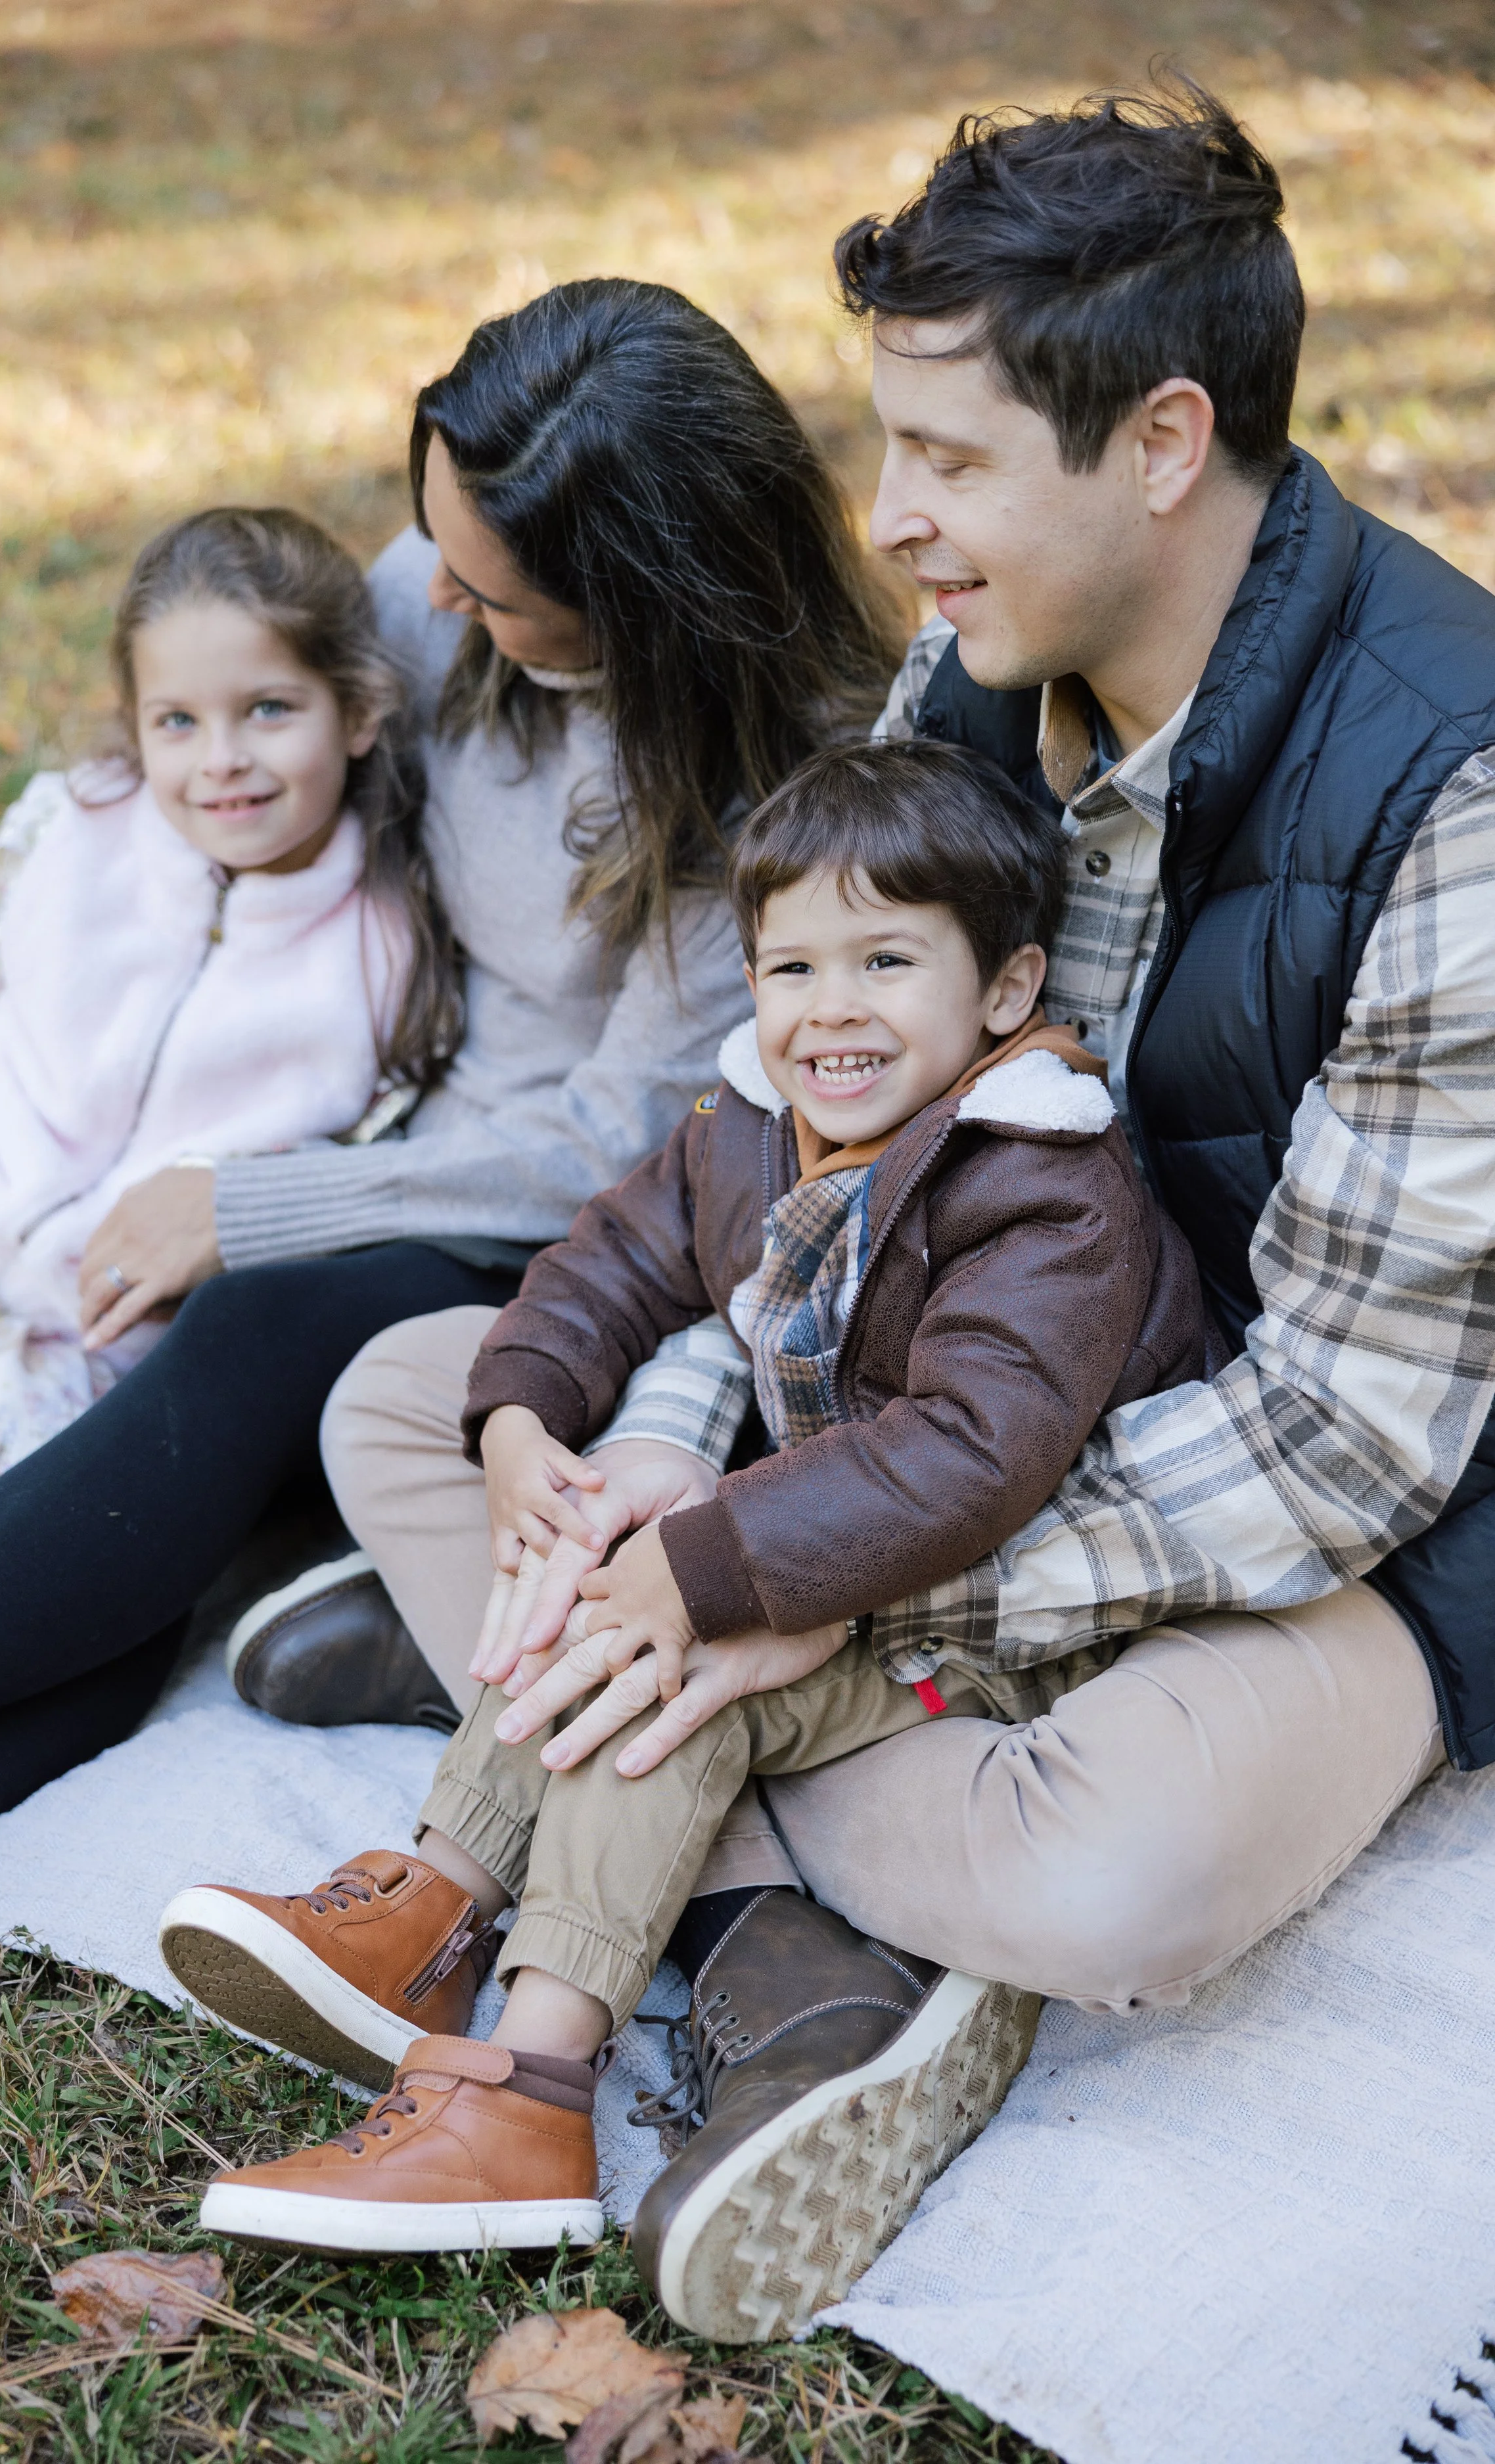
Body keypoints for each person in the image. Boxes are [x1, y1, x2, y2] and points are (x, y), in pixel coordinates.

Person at [241, 79, 1495, 2340]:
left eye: (947, 457)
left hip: (1304, 1522)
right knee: (423, 1404)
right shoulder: (972, 670)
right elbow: (792, 1167)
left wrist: (812, 1576)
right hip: (927, 1400)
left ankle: (558, 1764)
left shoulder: (1455, 799)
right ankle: (766, 1921)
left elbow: (1345, 1436)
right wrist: (642, 1470)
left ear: (1162, 439)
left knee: (1120, 1872)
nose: (889, 521)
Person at [0, 277, 900, 2125]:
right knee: (157, 1536)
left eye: (493, 593)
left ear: (647, 596)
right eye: (435, 550)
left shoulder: (775, 785)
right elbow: (270, 710)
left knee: (243, 1343)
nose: (432, 608)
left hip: (566, 1221)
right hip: (381, 1124)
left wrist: (259, 1202)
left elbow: (612, 1140)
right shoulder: (440, 587)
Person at [162, 734, 1204, 2275]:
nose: (827, 1009)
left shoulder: (1043, 1186)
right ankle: (437, 1907)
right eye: (789, 966)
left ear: (1002, 991)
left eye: (884, 959)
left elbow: (970, 1457)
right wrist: (522, 1418)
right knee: (617, 1573)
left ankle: (529, 2081)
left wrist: (706, 1568)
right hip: (819, 1535)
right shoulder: (751, 1122)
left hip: (997, 1619)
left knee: (668, 1672)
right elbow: (611, 1260)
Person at [0, 501, 440, 2116]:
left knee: (15, 1573)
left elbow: (344, 1161)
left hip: (100, 1307)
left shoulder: (388, 941)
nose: (220, 762)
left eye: (269, 711)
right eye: (175, 720)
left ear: (359, 712)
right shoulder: (78, 831)